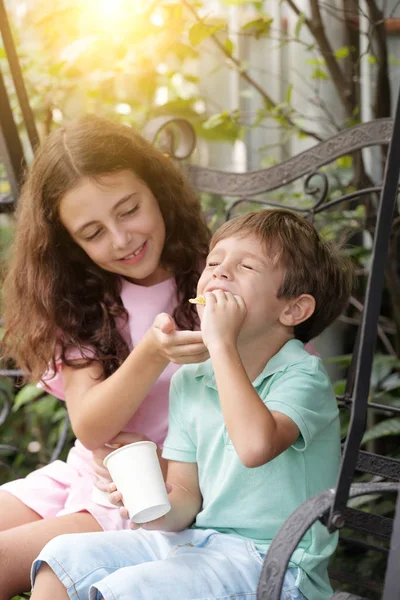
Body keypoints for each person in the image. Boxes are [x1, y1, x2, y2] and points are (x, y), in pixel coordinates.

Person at [30, 209, 354, 600]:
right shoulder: (193, 378)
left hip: (278, 565)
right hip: (200, 541)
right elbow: (185, 497)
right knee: (62, 558)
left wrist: (220, 344)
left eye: (246, 266)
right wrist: (146, 502)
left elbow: (255, 447)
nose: (218, 272)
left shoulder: (302, 376)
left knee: (132, 590)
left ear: (293, 310)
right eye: (214, 262)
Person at [0, 114, 211, 599]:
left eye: (129, 209)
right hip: (86, 474)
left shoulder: (215, 278)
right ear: (69, 244)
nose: (121, 240)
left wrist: (156, 352)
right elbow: (90, 425)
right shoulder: (88, 297)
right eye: (92, 233)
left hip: (151, 495)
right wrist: (153, 353)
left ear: (156, 188)